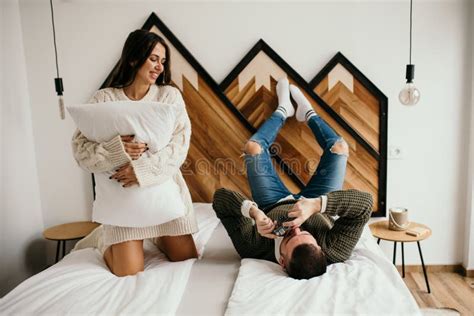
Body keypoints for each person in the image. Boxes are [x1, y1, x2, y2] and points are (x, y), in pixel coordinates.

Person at [212, 78, 373, 279]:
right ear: (321, 249)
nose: (296, 228)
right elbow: (365, 204)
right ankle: (308, 114)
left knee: (253, 148)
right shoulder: (335, 249)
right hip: (318, 202)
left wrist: (254, 213)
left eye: (289, 237)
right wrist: (316, 206)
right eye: (306, 235)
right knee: (339, 148)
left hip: (272, 202)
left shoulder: (253, 247)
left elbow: (220, 198)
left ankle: (282, 110)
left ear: (281, 261)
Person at [72, 29, 198, 277]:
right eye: (153, 59)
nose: (159, 67)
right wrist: (116, 150)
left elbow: (179, 146)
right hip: (123, 205)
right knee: (128, 272)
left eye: (163, 61)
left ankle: (158, 234)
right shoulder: (103, 99)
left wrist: (141, 171)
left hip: (164, 197)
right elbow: (80, 151)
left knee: (187, 259)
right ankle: (103, 238)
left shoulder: (169, 96)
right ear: (133, 58)